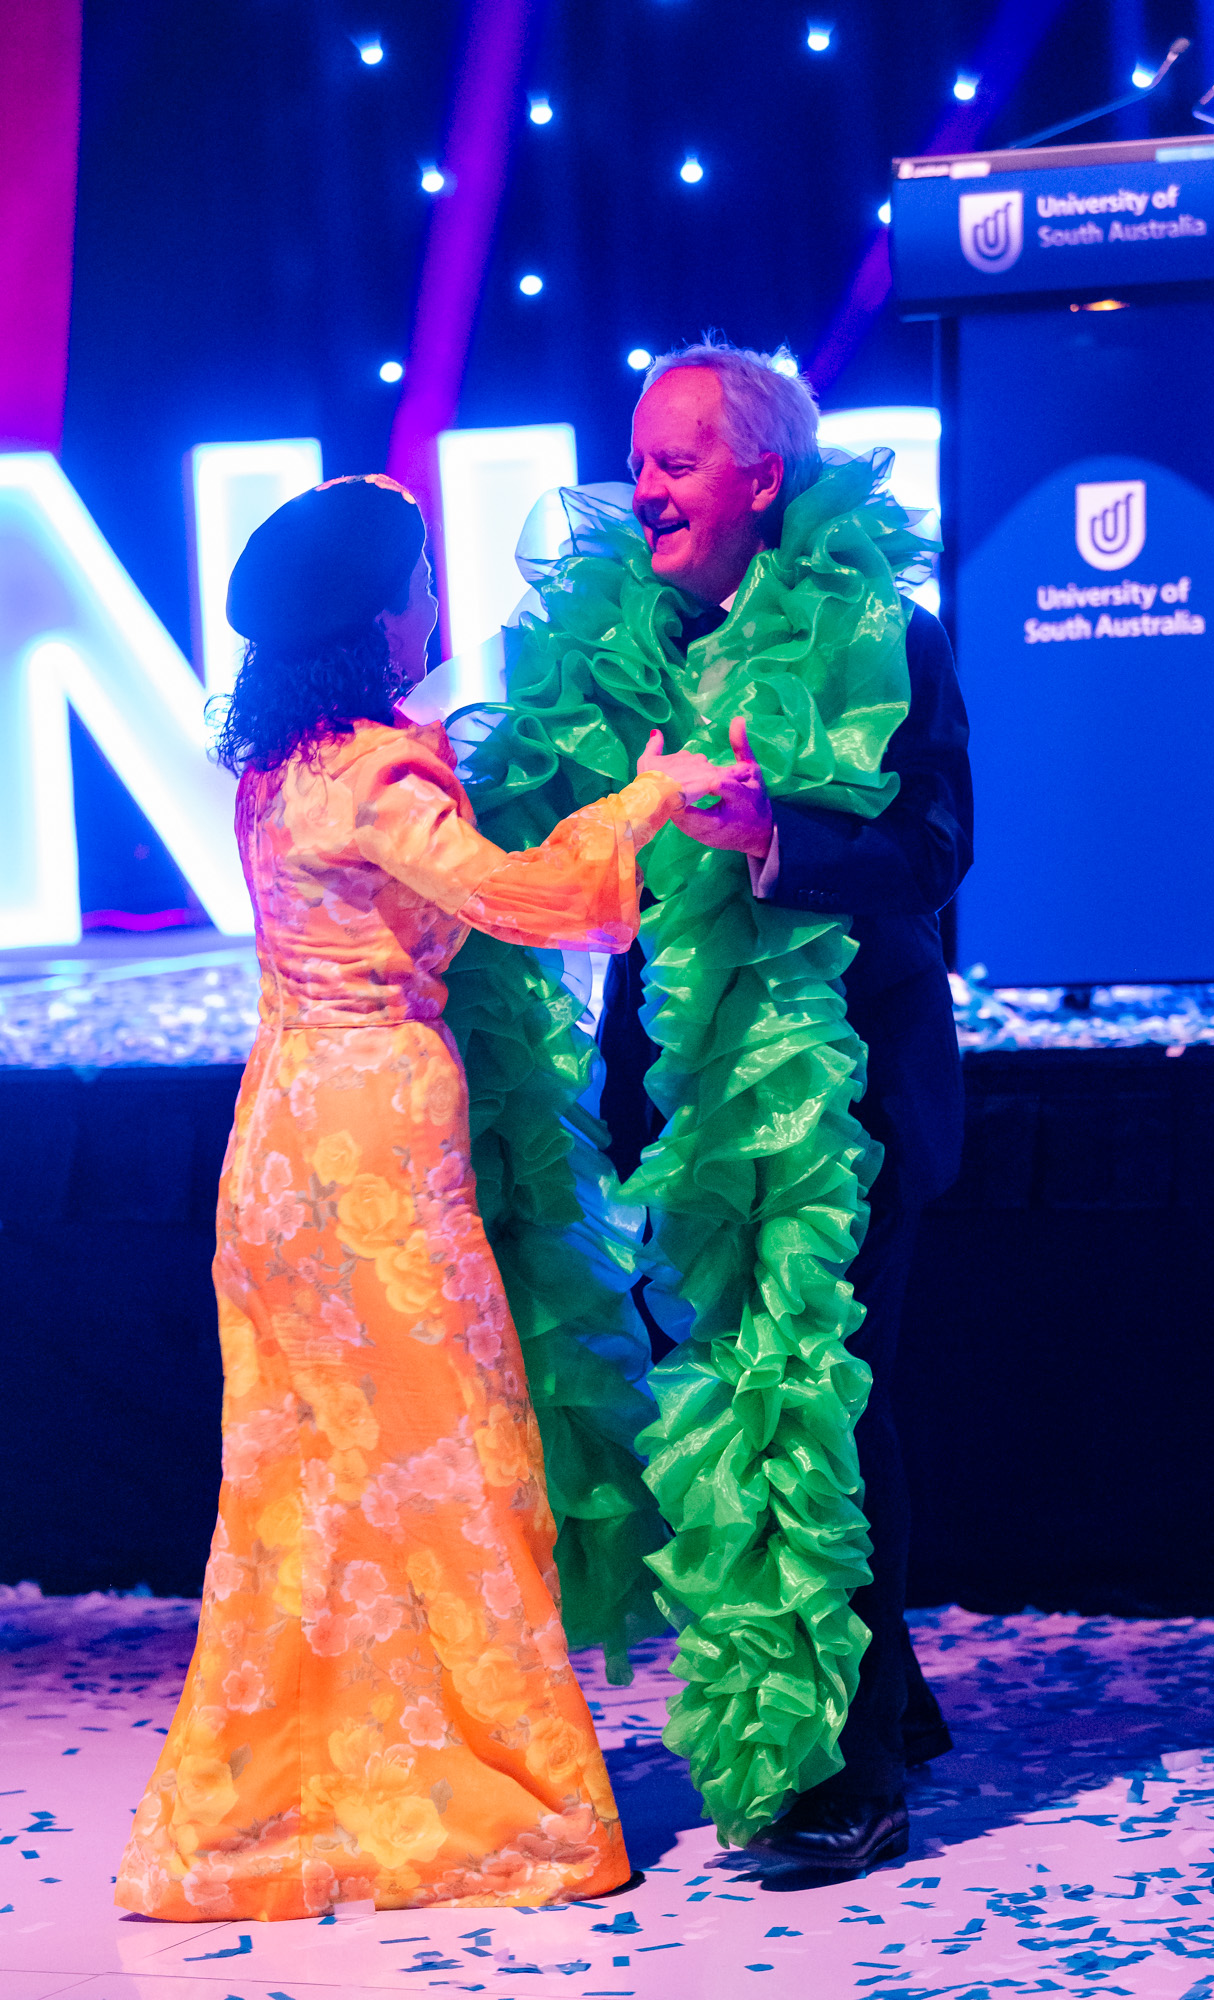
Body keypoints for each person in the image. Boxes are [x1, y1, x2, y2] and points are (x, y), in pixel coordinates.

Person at [113, 474, 735, 1921]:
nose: (436, 602)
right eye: (421, 582)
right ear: (378, 615)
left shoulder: (281, 767)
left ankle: (309, 1786)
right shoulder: (384, 776)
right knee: (460, 1460)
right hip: (375, 1144)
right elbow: (526, 901)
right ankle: (505, 1799)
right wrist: (645, 799)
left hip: (276, 1139)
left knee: (310, 1480)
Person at [598, 342, 973, 1873]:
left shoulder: (890, 639)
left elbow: (937, 853)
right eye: (636, 461)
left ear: (762, 478)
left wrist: (778, 838)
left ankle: (852, 1775)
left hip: (847, 1100)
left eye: (675, 461)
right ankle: (891, 1689)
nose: (642, 489)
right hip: (695, 1097)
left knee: (823, 1401)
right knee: (735, 1399)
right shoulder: (630, 653)